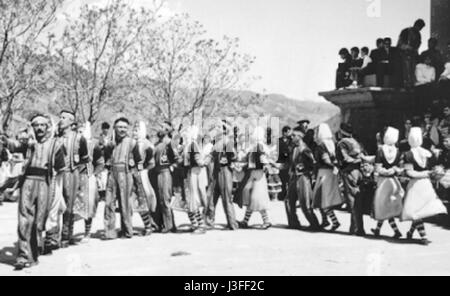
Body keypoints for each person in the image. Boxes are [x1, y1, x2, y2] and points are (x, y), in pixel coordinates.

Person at [4, 114, 66, 270]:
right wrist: (4, 140)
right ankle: (23, 255)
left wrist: (57, 191)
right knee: (24, 219)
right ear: (32, 127)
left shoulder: (56, 145)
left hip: (45, 183)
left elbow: (60, 169)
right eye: (36, 125)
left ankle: (34, 253)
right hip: (28, 182)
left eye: (42, 125)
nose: (39, 128)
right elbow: (14, 145)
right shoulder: (28, 143)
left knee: (39, 221)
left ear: (47, 127)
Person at [402, 127, 447, 245]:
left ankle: (423, 236)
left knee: (415, 211)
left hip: (415, 184)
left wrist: (423, 173)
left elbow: (410, 172)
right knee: (419, 210)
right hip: (426, 183)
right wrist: (429, 173)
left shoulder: (408, 154)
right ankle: (412, 233)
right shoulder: (428, 153)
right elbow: (434, 169)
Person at [103, 117, 144, 240]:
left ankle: (127, 231)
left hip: (126, 174)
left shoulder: (132, 143)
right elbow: (105, 158)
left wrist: (137, 174)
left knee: (125, 203)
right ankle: (110, 232)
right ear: (114, 128)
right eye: (120, 127)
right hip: (112, 173)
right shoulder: (110, 143)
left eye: (125, 127)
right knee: (109, 202)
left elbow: (139, 161)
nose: (122, 129)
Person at [54, 110, 90, 248]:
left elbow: (85, 158)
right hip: (57, 174)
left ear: (71, 121)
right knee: (56, 204)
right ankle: (53, 236)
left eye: (64, 118)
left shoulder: (79, 138)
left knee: (69, 205)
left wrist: (80, 176)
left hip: (71, 173)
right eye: (60, 117)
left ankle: (66, 236)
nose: (61, 119)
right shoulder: (55, 138)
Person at [371, 127, 404, 238]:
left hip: (383, 181)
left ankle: (387, 230)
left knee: (382, 206)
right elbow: (399, 168)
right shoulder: (397, 151)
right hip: (394, 181)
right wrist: (393, 170)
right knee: (387, 207)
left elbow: (378, 168)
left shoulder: (380, 150)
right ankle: (379, 230)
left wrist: (385, 171)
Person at [205, 121, 239, 230]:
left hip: (225, 171)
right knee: (211, 197)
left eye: (219, 127)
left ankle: (232, 223)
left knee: (226, 199)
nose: (216, 129)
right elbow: (210, 156)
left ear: (224, 130)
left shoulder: (227, 141)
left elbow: (234, 156)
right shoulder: (217, 142)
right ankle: (209, 221)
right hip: (216, 171)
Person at [237, 127, 272, 230]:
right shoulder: (257, 146)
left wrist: (265, 166)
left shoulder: (258, 147)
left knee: (257, 198)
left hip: (257, 174)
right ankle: (245, 221)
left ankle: (266, 221)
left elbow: (263, 159)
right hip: (255, 173)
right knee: (252, 198)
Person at [336, 123, 369, 236]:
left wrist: (355, 161)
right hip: (359, 172)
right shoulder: (356, 142)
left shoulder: (342, 143)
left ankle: (356, 228)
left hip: (349, 172)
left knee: (352, 200)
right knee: (358, 199)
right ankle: (358, 227)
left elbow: (345, 158)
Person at [285, 126, 320, 230]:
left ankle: (314, 224)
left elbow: (313, 163)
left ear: (300, 136)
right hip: (294, 177)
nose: (292, 137)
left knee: (305, 202)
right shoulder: (294, 148)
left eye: (294, 135)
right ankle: (293, 223)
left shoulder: (305, 149)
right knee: (288, 201)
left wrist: (306, 169)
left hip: (303, 177)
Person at [312, 124, 344, 231]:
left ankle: (333, 221)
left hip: (323, 173)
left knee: (321, 198)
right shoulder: (333, 144)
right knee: (326, 198)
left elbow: (325, 160)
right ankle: (326, 220)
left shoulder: (321, 146)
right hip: (332, 173)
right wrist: (335, 166)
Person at [78, 122, 105, 242]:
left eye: (83, 130)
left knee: (89, 205)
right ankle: (65, 235)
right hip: (72, 177)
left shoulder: (94, 145)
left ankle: (87, 233)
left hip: (88, 177)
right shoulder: (71, 143)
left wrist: (94, 175)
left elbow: (100, 162)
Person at [132, 121, 157, 236]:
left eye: (137, 130)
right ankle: (149, 224)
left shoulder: (147, 145)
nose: (134, 133)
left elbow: (151, 163)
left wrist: (143, 169)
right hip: (134, 175)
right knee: (136, 201)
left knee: (144, 200)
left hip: (143, 176)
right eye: (134, 130)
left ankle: (149, 226)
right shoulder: (132, 144)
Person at [151, 129, 177, 234]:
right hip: (158, 173)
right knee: (160, 199)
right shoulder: (157, 146)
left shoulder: (168, 145)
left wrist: (172, 166)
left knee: (165, 199)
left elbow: (177, 159)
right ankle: (163, 224)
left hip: (164, 173)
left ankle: (169, 225)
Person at [183, 126, 208, 234]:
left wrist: (205, 161)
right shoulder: (190, 145)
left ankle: (200, 225)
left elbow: (199, 161)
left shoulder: (192, 145)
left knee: (193, 199)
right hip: (191, 173)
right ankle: (195, 224)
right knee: (190, 200)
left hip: (194, 173)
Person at [397, 19, 426, 88]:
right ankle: (406, 86)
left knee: (412, 71)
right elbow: (400, 44)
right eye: (420, 28)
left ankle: (411, 86)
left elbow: (417, 45)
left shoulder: (418, 34)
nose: (420, 30)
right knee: (406, 71)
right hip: (403, 55)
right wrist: (406, 47)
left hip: (413, 55)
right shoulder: (406, 31)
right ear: (417, 25)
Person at [277, 126, 293, 201]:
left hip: (289, 162)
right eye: (288, 132)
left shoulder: (291, 140)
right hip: (282, 162)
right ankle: (282, 195)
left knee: (289, 180)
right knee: (282, 179)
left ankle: (289, 195)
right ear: (284, 132)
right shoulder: (278, 140)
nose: (290, 133)